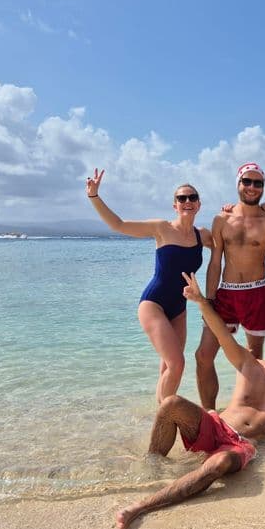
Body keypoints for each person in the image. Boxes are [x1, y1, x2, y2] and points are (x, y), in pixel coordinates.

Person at [115, 272, 265, 529]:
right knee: (170, 403)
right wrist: (201, 301)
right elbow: (222, 334)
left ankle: (144, 505)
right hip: (215, 425)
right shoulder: (249, 363)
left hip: (241, 444)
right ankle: (152, 466)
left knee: (219, 463)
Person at [86, 169, 212, 403]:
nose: (187, 201)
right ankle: (165, 419)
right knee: (177, 364)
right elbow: (118, 225)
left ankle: (162, 419)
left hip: (179, 308)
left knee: (168, 367)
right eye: (181, 198)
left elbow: (233, 242)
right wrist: (94, 196)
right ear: (175, 205)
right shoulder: (161, 228)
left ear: (199, 205)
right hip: (153, 304)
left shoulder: (202, 235)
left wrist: (235, 212)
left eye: (192, 198)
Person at [195, 163, 265, 410]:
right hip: (225, 294)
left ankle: (249, 411)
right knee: (203, 356)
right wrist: (209, 300)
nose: (252, 187)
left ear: (263, 188)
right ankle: (209, 414)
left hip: (257, 292)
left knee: (253, 359)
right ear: (238, 183)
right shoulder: (221, 219)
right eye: (247, 181)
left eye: (258, 183)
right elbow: (215, 263)